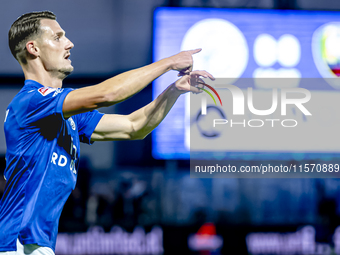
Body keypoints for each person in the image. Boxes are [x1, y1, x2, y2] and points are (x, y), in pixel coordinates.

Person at [0, 10, 214, 255]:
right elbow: (108, 94)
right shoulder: (30, 102)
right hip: (17, 244)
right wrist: (167, 63)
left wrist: (174, 90)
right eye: (58, 37)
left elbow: (135, 127)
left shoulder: (66, 114)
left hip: (34, 245)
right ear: (33, 48)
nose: (69, 43)